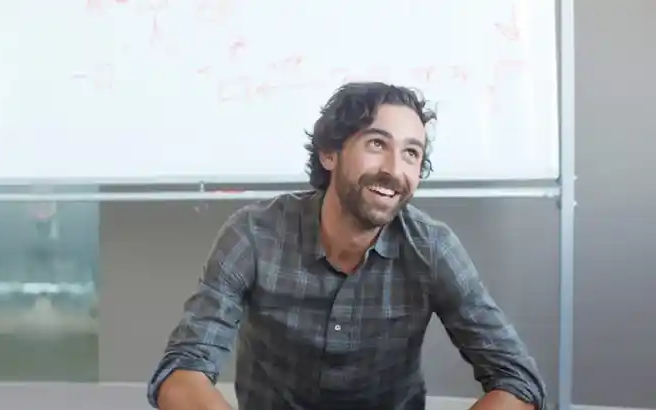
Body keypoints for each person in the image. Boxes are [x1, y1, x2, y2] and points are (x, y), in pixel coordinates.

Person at [147, 82, 547, 410]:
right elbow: (182, 370)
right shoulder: (253, 234)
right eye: (377, 144)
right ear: (329, 153)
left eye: (411, 153)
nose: (394, 170)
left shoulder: (432, 248)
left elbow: (518, 380)